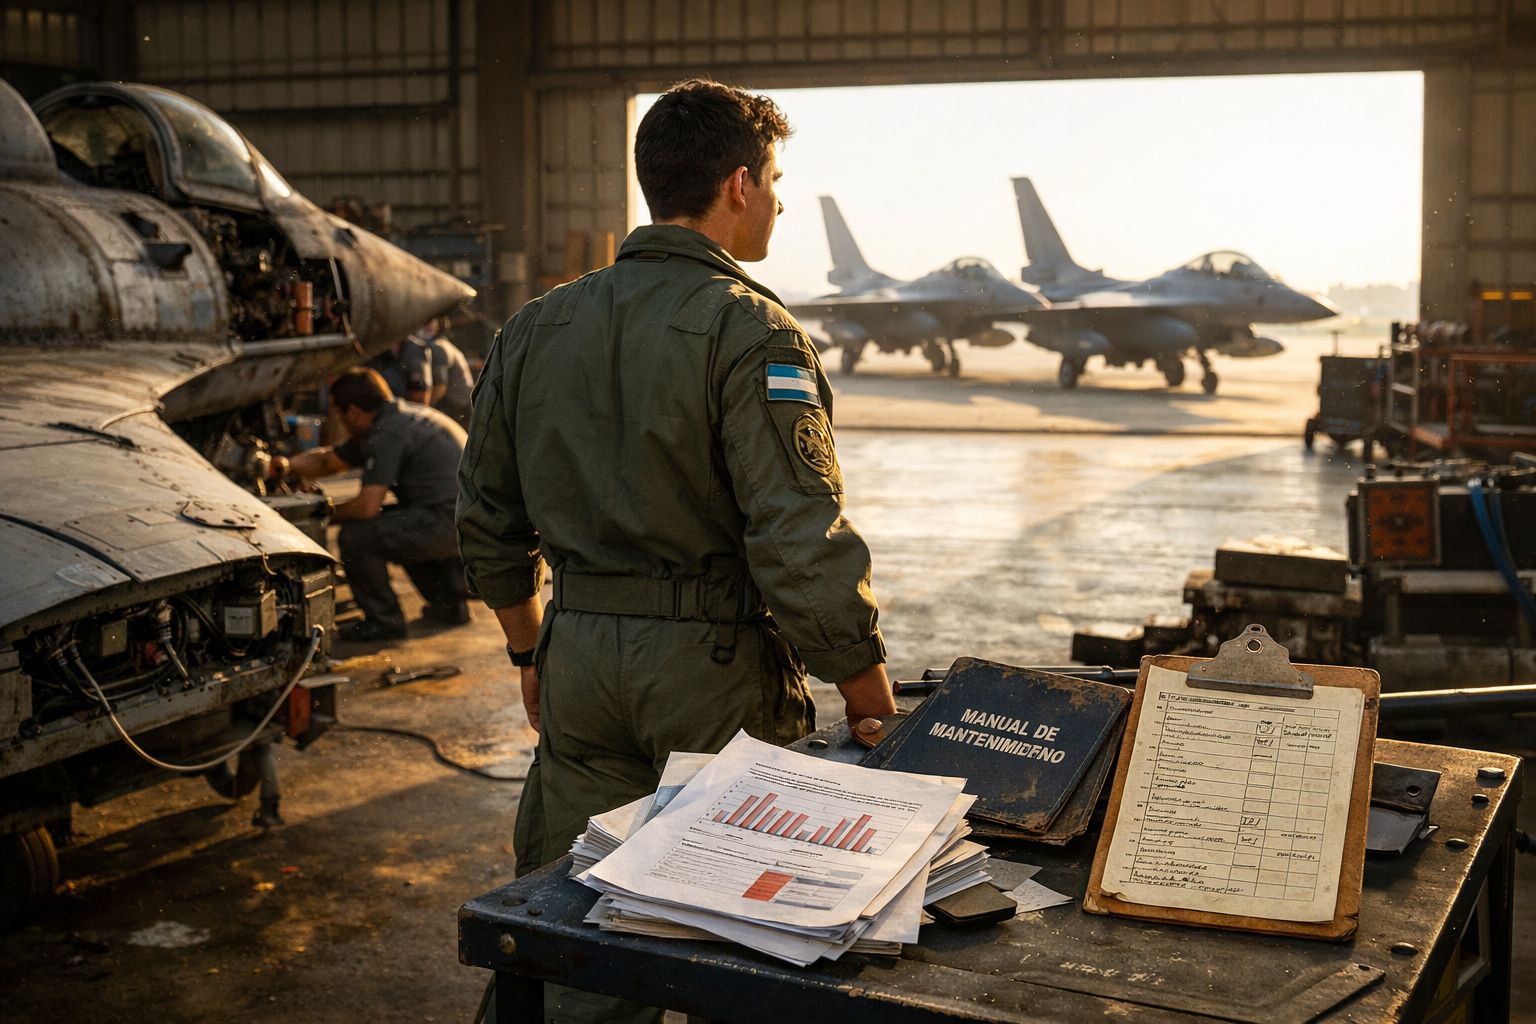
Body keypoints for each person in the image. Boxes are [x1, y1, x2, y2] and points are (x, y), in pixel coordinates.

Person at [457, 78, 895, 1022]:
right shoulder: (752, 330)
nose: (777, 201)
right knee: (738, 941)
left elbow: (486, 516)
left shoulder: (534, 327)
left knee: (577, 940)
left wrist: (531, 650)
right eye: (774, 181)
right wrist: (866, 691)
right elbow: (797, 537)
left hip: (578, 663)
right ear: (738, 185)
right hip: (713, 676)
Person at [276, 367, 470, 641]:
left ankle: (384, 622)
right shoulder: (401, 417)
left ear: (354, 411)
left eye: (340, 414)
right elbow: (328, 460)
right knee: (397, 524)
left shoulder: (386, 433)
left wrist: (320, 513)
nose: (341, 422)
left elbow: (366, 507)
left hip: (446, 522)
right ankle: (450, 604)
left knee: (358, 537)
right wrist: (283, 466)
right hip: (464, 519)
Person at [401, 318, 475, 427]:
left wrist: (422, 412)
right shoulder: (443, 344)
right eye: (425, 321)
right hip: (463, 408)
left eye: (431, 321)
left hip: (456, 410)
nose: (428, 325)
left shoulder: (438, 347)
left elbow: (440, 387)